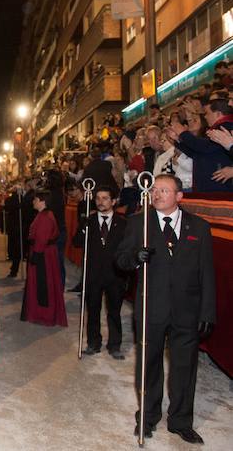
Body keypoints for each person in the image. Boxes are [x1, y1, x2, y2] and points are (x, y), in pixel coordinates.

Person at [115, 174, 215, 444]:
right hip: (151, 307)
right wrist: (136, 258)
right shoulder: (139, 223)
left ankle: (181, 421)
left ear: (179, 197)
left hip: (187, 310)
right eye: (154, 190)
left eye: (163, 190)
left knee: (184, 367)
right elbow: (121, 259)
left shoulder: (200, 228)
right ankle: (147, 417)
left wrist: (207, 312)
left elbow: (207, 273)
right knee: (149, 364)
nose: (156, 194)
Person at [73, 186, 127, 359]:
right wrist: (83, 228)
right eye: (98, 198)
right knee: (93, 310)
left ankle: (114, 345)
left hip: (115, 274)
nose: (101, 202)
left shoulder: (123, 223)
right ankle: (93, 343)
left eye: (105, 198)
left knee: (114, 311)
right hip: (93, 273)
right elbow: (76, 243)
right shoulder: (88, 222)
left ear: (113, 201)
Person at [20, 190, 68, 328]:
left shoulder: (45, 217)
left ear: (42, 201)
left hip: (43, 255)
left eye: (35, 200)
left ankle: (44, 315)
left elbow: (41, 238)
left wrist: (36, 255)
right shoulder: (44, 214)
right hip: (44, 253)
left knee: (43, 285)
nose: (33, 202)